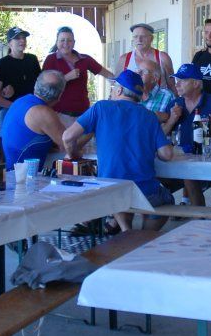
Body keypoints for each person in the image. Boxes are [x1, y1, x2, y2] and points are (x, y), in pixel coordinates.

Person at [62, 70, 174, 232]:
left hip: (109, 191)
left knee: (115, 187)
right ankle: (144, 236)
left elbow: (67, 137)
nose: (112, 89)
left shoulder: (101, 108)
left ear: (120, 90)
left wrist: (73, 154)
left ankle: (126, 231)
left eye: (114, 86)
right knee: (167, 199)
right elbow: (167, 154)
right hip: (144, 192)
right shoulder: (149, 116)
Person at [163, 64, 211, 207]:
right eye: (176, 80)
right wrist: (171, 119)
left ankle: (203, 217)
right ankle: (198, 217)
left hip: (209, 159)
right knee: (185, 176)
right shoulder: (174, 104)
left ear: (196, 83)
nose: (177, 84)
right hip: (180, 160)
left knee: (191, 177)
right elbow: (161, 134)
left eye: (182, 80)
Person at [0, 70, 68, 170]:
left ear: (36, 85)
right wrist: (92, 127)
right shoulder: (43, 112)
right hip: (14, 178)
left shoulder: (20, 101)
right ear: (60, 95)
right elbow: (69, 145)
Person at [42, 26, 114, 117]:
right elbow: (44, 87)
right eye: (62, 40)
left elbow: (109, 75)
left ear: (74, 43)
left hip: (83, 114)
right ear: (57, 42)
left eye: (69, 40)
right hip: (59, 114)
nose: (66, 43)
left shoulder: (85, 59)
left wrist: (123, 83)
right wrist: (66, 78)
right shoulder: (51, 59)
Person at [0, 27, 41, 136]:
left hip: (32, 107)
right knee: (0, 137)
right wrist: (16, 106)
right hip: (8, 107)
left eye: (24, 38)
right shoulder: (2, 63)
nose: (22, 41)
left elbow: (41, 87)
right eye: (17, 38)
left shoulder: (32, 59)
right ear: (9, 43)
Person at [114, 23, 175, 91]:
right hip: (131, 100)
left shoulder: (163, 58)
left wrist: (176, 101)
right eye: (135, 37)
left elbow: (172, 85)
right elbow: (116, 85)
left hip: (158, 100)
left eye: (143, 36)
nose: (139, 40)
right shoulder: (124, 59)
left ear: (151, 38)